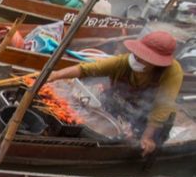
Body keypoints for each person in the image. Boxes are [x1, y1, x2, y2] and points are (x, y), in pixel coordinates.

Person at [48, 31, 183, 156]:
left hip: (151, 118)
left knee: (140, 148)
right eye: (138, 54)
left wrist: (147, 136)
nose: (137, 58)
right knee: (109, 134)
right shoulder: (125, 62)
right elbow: (87, 69)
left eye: (144, 57)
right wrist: (54, 75)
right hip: (124, 104)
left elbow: (162, 106)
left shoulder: (171, 72)